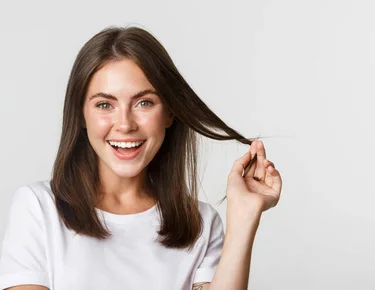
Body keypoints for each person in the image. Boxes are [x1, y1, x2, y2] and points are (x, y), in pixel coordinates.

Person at [0, 26, 282, 290]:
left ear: (170, 113)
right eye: (104, 104)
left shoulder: (200, 224)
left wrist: (244, 216)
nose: (125, 124)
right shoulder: (38, 209)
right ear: (81, 116)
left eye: (144, 102)